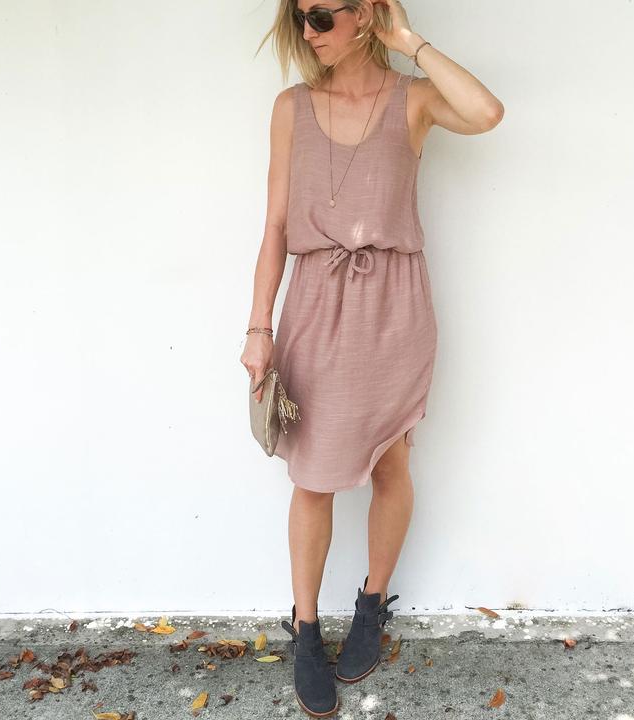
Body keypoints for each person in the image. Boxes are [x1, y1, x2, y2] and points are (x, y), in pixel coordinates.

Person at [242, 0, 504, 715]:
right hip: (315, 305)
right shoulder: (292, 107)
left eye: (321, 16)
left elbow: (486, 113)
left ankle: (371, 603)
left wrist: (411, 42)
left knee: (393, 462)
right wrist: (259, 326)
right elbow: (274, 226)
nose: (307, 31)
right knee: (313, 476)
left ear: (366, 14)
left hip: (395, 308)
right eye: (300, 17)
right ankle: (305, 630)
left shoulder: (412, 100)